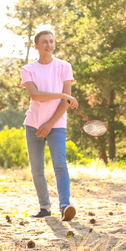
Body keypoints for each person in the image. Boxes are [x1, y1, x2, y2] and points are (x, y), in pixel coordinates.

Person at [21, 29, 79, 221]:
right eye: (44, 42)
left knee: (60, 165)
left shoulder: (64, 66)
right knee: (36, 169)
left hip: (57, 124)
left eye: (51, 41)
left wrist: (50, 123)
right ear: (36, 46)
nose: (49, 45)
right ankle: (45, 208)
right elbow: (35, 95)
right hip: (33, 125)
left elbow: (65, 105)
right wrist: (62, 94)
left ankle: (65, 206)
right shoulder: (28, 69)